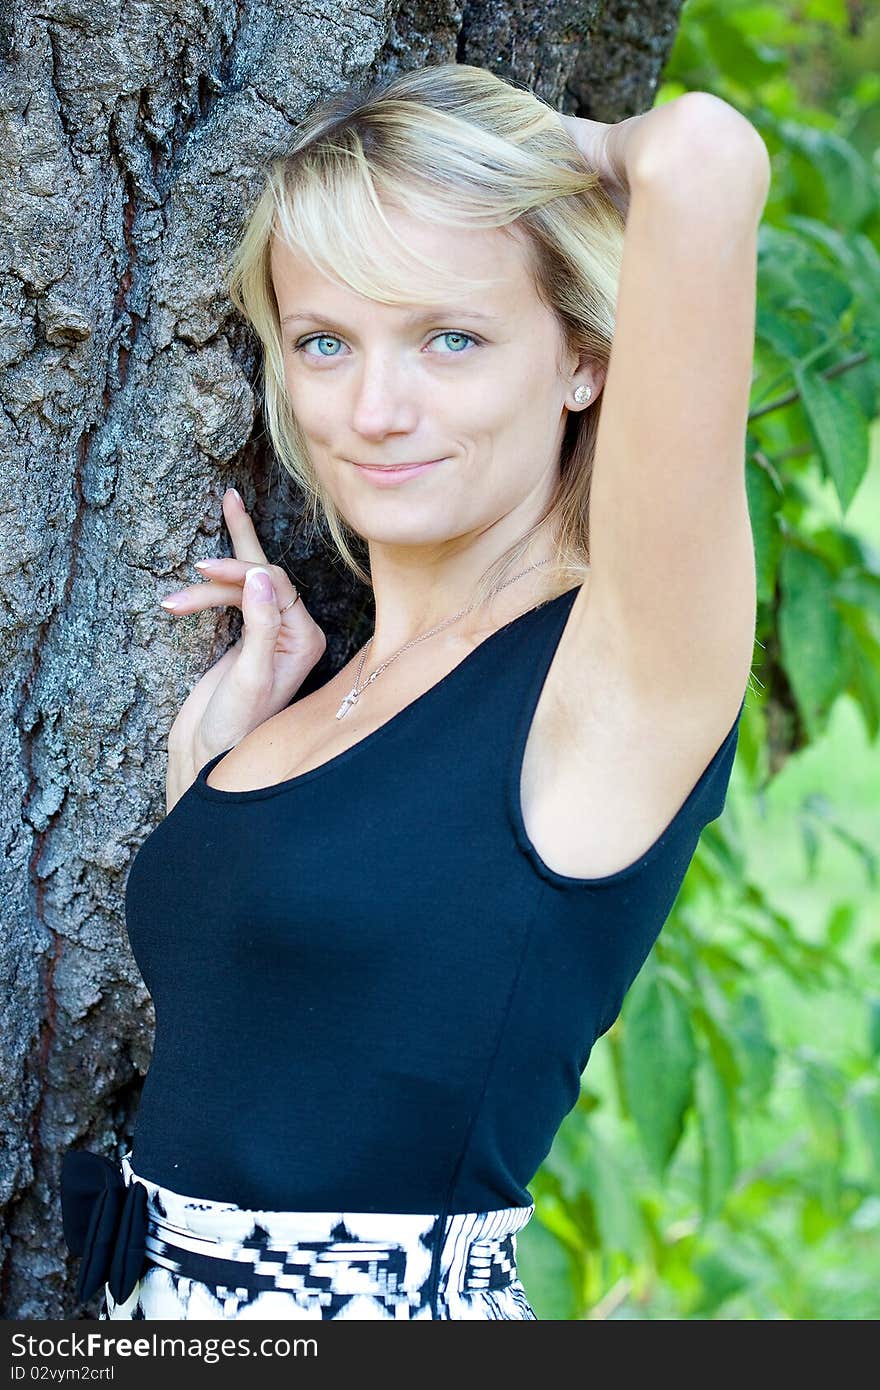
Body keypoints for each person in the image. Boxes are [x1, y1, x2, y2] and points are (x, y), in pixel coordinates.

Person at [60, 63, 769, 1320]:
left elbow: (704, 160)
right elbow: (286, 1044)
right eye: (326, 342)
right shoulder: (326, 698)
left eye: (452, 337)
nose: (375, 412)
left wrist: (517, 147)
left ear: (583, 362)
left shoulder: (615, 669)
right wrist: (217, 775)